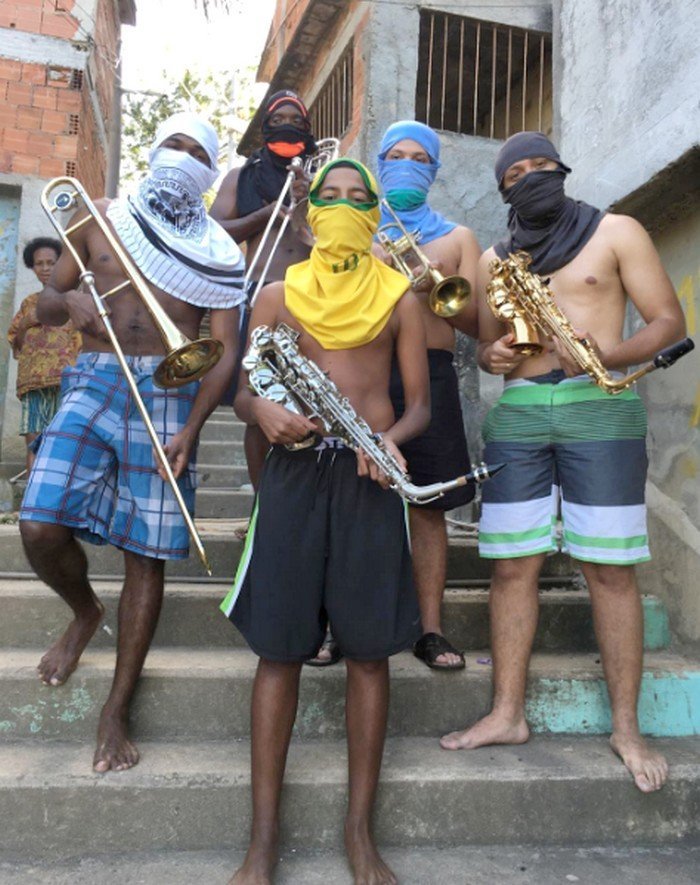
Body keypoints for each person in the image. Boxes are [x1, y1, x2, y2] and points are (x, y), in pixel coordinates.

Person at [440, 131, 686, 794]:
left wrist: (610, 353)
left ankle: (627, 727)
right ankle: (506, 713)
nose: (528, 176)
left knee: (608, 569)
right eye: (513, 172)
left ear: (561, 168)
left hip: (600, 409)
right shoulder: (496, 259)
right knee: (511, 565)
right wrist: (491, 357)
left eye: (538, 165)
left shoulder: (617, 230)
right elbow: (494, 346)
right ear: (503, 189)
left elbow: (668, 320)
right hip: (519, 410)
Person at [221, 158, 429, 885]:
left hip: (370, 476)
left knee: (370, 654)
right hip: (294, 477)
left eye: (355, 197)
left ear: (374, 211)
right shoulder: (277, 293)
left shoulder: (400, 295)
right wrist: (262, 411)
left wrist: (391, 443)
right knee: (278, 651)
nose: (341, 206)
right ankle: (262, 840)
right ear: (309, 212)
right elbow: (245, 393)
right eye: (329, 196)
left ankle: (359, 834)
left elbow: (421, 405)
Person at [19, 113, 246, 773]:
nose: (180, 157)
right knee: (37, 525)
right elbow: (47, 301)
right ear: (153, 150)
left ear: (210, 170)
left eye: (196, 151)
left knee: (147, 554)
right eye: (172, 144)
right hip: (93, 374)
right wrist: (72, 307)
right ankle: (85, 611)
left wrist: (194, 425)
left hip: (173, 389)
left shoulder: (220, 252)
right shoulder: (102, 215)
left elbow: (225, 348)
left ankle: (115, 708)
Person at [375, 120, 481, 670]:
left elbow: (480, 324)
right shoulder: (357, 230)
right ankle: (350, 620)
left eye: (420, 158)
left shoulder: (457, 238)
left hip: (434, 374)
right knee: (359, 503)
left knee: (431, 504)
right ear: (379, 163)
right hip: (369, 372)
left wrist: (431, 289)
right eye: (396, 155)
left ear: (434, 170)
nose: (407, 166)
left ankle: (430, 629)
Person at [210, 89, 316, 486]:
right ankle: (263, 505)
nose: (287, 125)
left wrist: (309, 198)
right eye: (278, 119)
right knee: (258, 400)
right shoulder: (241, 176)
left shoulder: (321, 173)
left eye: (296, 119)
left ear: (307, 128)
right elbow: (215, 228)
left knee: (311, 398)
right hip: (259, 293)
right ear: (264, 126)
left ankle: (303, 497)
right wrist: (266, 213)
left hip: (313, 297)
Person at [8, 237, 81, 474]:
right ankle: (31, 506)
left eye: (51, 262)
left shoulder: (73, 299)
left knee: (65, 443)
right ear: (33, 267)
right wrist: (25, 325)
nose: (46, 268)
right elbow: (16, 347)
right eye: (39, 263)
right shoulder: (29, 303)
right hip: (33, 384)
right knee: (34, 444)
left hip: (66, 383)